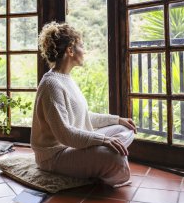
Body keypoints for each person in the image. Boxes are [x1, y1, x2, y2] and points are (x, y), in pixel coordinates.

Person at [31, 21, 136, 187]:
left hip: (73, 145)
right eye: (81, 45)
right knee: (115, 157)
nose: (84, 50)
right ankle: (104, 161)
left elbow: (84, 116)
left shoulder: (66, 79)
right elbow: (65, 134)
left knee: (126, 129)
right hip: (55, 156)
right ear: (70, 50)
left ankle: (98, 161)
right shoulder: (51, 84)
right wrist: (102, 140)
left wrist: (117, 120)